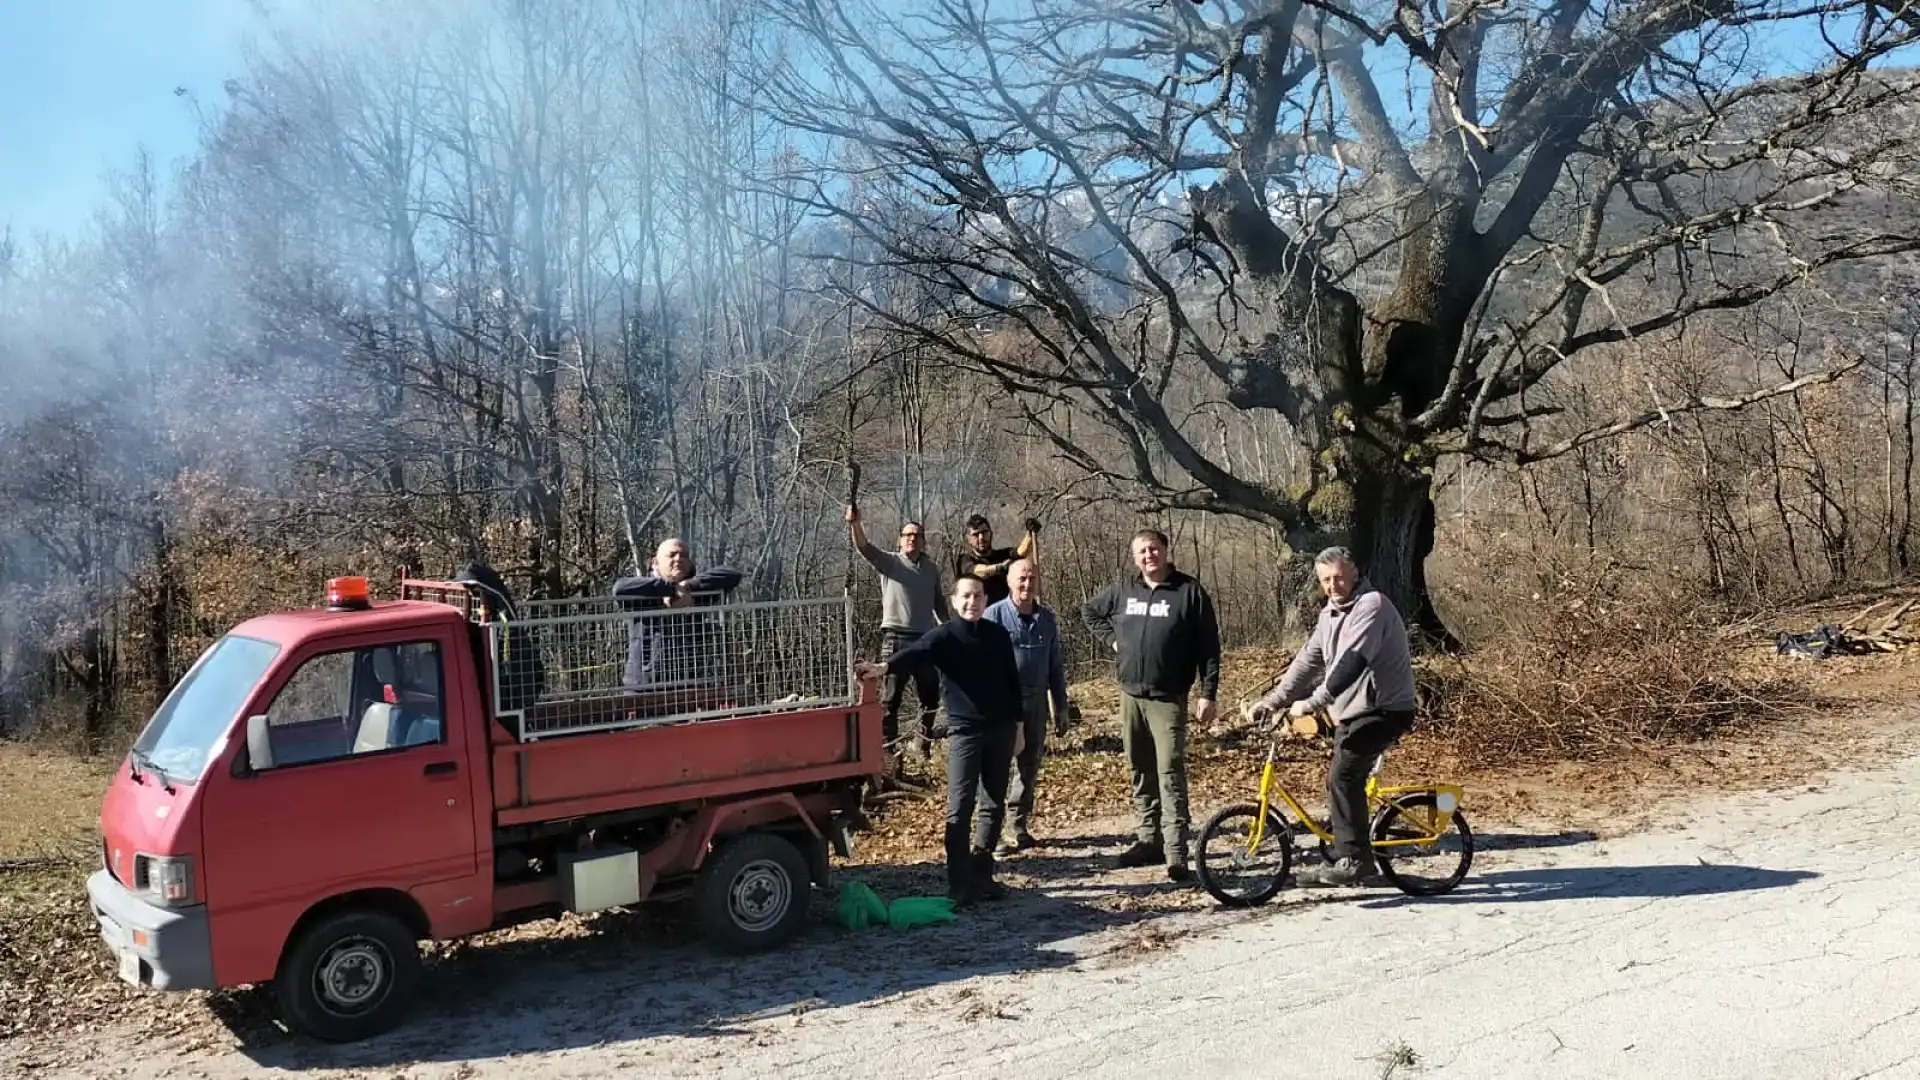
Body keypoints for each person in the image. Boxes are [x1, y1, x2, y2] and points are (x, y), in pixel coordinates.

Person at [1249, 546, 1417, 887]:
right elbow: (1307, 662)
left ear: (1354, 573)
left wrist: (1312, 703)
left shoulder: (1372, 606)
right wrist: (1272, 701)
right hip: (1353, 712)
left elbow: (1352, 664)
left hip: (1385, 709)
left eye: (1339, 577)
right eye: (1326, 580)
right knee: (1339, 776)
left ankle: (1355, 860)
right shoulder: (1329, 614)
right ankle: (1350, 846)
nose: (1333, 585)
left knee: (1344, 775)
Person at [856, 577, 1021, 905]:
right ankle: (958, 884)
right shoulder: (945, 636)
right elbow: (915, 652)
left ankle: (982, 873)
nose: (972, 602)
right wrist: (883, 667)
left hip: (1001, 730)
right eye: (965, 596)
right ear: (954, 600)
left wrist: (1019, 728)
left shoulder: (998, 635)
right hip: (965, 733)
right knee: (959, 810)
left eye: (977, 596)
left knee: (992, 804)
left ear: (985, 599)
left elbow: (1012, 682)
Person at [1081, 528, 1220, 883]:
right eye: (1142, 551)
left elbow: (1209, 647)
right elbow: (1090, 612)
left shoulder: (1189, 592)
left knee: (1169, 772)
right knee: (1139, 769)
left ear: (1166, 551)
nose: (1149, 556)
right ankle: (1149, 840)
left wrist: (1208, 693)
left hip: (1168, 699)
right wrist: (1114, 642)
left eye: (1154, 549)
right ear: (1134, 556)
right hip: (1130, 696)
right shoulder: (1124, 590)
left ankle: (1176, 852)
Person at [846, 503, 944, 762]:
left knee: (930, 695)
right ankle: (889, 750)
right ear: (900, 540)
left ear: (923, 542)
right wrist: (855, 523)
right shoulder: (890, 562)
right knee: (891, 698)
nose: (912, 539)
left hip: (925, 640)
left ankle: (922, 745)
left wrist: (951, 632)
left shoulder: (931, 569)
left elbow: (940, 605)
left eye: (917, 536)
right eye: (908, 535)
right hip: (896, 638)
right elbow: (864, 548)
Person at [984, 558, 1069, 854]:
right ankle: (990, 834)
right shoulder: (993, 616)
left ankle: (1017, 826)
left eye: (1032, 578)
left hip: (1036, 705)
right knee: (997, 767)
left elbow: (1055, 666)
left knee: (1029, 766)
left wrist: (1061, 705)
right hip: (1003, 705)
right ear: (1009, 581)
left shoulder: (1046, 619)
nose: (1026, 584)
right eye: (1021, 578)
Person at [611, 539, 744, 690]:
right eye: (672, 555)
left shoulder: (700, 589)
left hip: (691, 684)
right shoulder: (643, 589)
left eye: (684, 555)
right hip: (643, 685)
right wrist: (669, 589)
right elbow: (619, 588)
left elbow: (733, 575)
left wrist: (689, 586)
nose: (678, 559)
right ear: (655, 562)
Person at [953, 514, 1040, 606]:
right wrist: (999, 568)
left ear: (991, 533)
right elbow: (976, 571)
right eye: (975, 534)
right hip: (979, 616)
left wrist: (1030, 533)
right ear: (969, 539)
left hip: (1006, 614)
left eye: (984, 532)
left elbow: (1022, 551)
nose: (981, 537)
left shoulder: (1002, 555)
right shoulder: (965, 560)